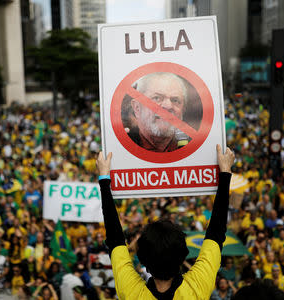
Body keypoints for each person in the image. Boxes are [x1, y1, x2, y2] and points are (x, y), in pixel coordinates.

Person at [96, 144, 235, 299]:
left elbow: (115, 240)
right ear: (183, 256)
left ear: (143, 260)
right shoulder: (196, 289)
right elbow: (216, 234)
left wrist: (104, 178)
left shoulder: (132, 293)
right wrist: (225, 173)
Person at [128, 72, 190, 152]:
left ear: (183, 109)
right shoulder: (119, 146)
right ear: (137, 107)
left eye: (175, 100)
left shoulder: (196, 147)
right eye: (157, 98)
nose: (168, 106)